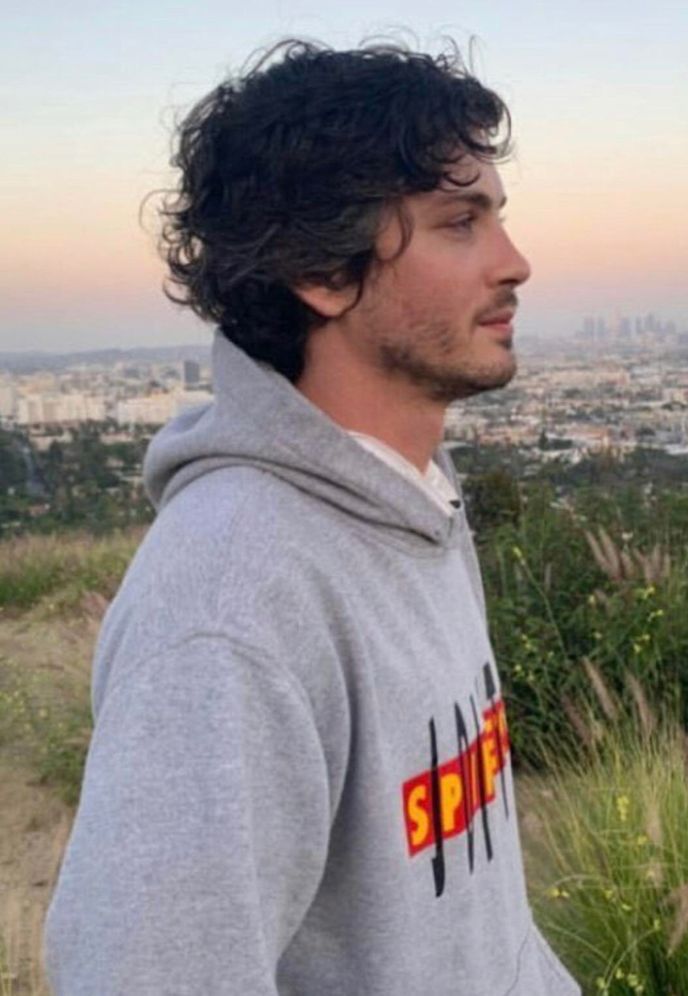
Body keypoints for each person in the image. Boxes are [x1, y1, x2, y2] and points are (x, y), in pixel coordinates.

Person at [44, 38, 580, 996]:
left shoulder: (416, 504)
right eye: (459, 223)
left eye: (497, 217)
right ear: (318, 271)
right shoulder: (229, 607)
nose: (515, 262)